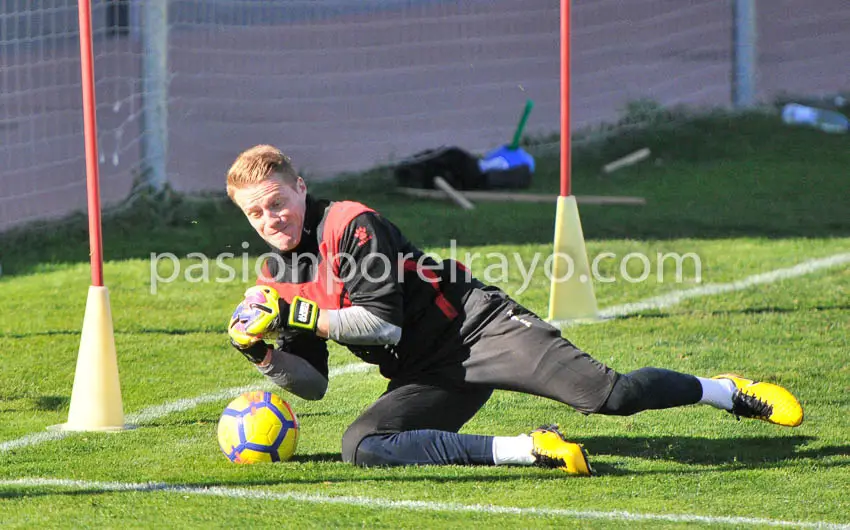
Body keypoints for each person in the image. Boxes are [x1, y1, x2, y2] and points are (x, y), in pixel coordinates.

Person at [224, 144, 803, 475]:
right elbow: (315, 386)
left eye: (277, 202)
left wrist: (295, 317)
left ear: (300, 188)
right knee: (363, 446)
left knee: (611, 398)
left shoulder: (351, 222)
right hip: (430, 372)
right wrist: (263, 353)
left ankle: (724, 390)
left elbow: (381, 324)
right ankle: (530, 449)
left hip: (483, 328)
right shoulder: (277, 276)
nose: (271, 218)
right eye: (256, 214)